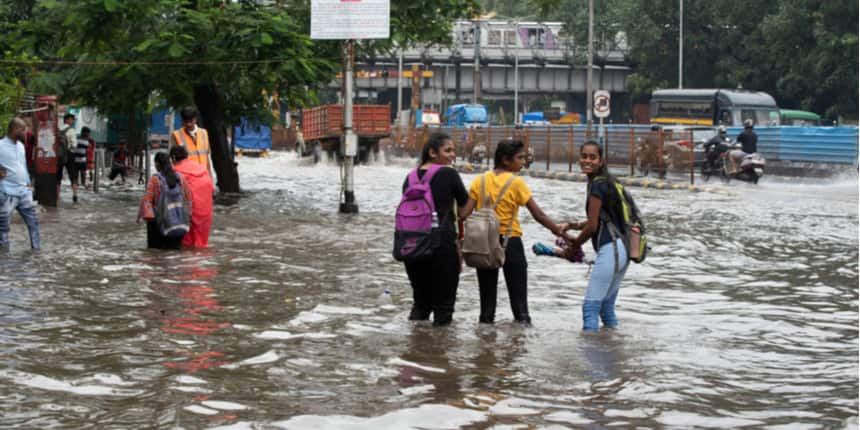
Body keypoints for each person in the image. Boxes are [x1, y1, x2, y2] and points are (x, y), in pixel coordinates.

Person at [459, 139, 564, 325]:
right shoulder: (516, 183)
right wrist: (561, 233)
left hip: (483, 243)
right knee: (519, 302)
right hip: (510, 242)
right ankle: (519, 345)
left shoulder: (479, 180)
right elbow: (538, 214)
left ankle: (485, 346)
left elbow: (464, 214)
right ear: (506, 160)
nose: (524, 161)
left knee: (486, 305)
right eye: (520, 157)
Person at [400, 132, 469, 326]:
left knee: (421, 304)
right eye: (448, 150)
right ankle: (439, 352)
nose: (452, 155)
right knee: (444, 308)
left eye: (453, 150)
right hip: (442, 245)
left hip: (412, 245)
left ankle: (415, 348)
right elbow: (464, 212)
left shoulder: (410, 176)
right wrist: (479, 195)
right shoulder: (449, 173)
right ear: (432, 152)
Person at [562, 141, 629, 332]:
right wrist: (573, 225)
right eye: (584, 156)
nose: (587, 161)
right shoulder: (608, 181)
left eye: (592, 157)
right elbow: (600, 218)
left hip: (611, 249)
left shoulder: (597, 186)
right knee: (606, 309)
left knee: (590, 309)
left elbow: (592, 226)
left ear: (601, 161)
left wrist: (573, 247)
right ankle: (612, 352)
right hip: (623, 249)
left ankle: (590, 357)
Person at [0, 118, 40, 250]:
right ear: (15, 130)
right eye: (23, 130)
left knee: (33, 223)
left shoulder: (21, 146)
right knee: (3, 228)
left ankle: (36, 252)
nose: (26, 133)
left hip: (24, 192)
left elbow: (23, 166)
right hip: (7, 193)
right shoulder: (0, 145)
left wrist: (28, 184)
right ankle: (4, 257)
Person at [137, 152, 192, 249]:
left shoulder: (155, 180)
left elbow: (147, 201)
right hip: (178, 222)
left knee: (156, 255)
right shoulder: (180, 178)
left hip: (158, 223)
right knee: (175, 254)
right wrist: (188, 216)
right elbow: (188, 198)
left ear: (157, 164)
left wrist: (143, 218)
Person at [170, 145, 214, 248]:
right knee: (202, 244)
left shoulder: (175, 171)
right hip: (206, 211)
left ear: (173, 158)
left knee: (186, 245)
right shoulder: (201, 169)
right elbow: (211, 189)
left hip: (189, 212)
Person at [169, 106, 212, 175]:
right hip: (187, 178)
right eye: (186, 122)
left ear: (195, 119)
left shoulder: (204, 133)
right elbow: (173, 161)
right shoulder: (176, 135)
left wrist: (210, 178)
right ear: (182, 120)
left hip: (203, 177)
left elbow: (206, 158)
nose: (188, 124)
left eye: (191, 121)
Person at [58, 113, 80, 202]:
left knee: (58, 175)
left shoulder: (59, 129)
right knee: (73, 175)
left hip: (60, 155)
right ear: (67, 120)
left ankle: (57, 196)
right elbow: (74, 145)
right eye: (72, 119)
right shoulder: (71, 130)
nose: (73, 121)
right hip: (69, 154)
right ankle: (75, 195)